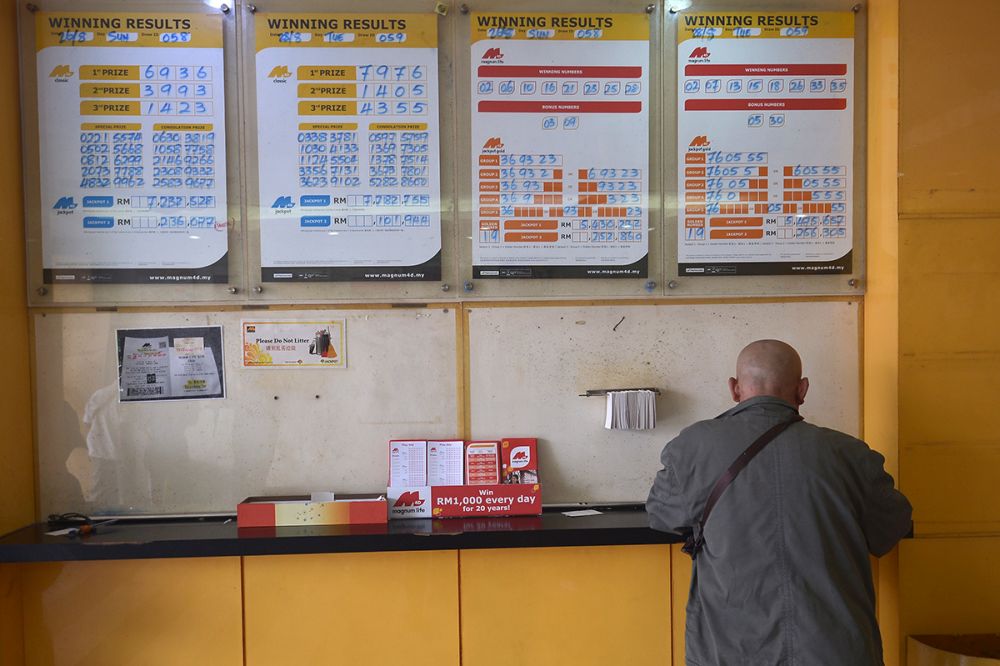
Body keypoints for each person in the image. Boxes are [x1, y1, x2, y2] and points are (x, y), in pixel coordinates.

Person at [647, 339, 912, 666]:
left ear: (734, 389)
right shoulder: (851, 454)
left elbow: (662, 515)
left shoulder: (692, 446)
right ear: (802, 390)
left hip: (732, 650)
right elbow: (891, 528)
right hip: (836, 651)